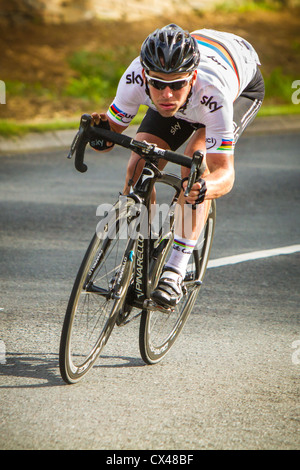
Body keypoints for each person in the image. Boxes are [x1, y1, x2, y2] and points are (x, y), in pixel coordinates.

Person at [90, 23, 265, 309]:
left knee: (195, 163)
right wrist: (98, 134)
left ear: (191, 77)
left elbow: (225, 172)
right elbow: (113, 133)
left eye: (176, 85)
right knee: (138, 165)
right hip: (194, 93)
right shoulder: (135, 77)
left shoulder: (213, 93)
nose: (166, 95)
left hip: (239, 86)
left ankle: (175, 269)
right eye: (157, 84)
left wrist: (205, 187)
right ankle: (142, 251)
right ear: (146, 75)